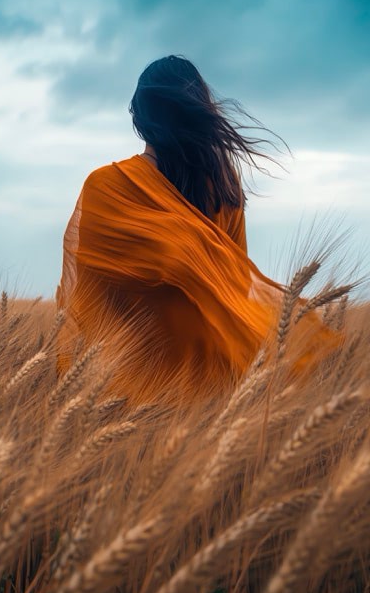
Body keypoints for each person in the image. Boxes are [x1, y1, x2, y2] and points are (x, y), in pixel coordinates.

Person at [55, 55, 341, 404]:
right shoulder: (224, 187)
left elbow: (89, 295)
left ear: (140, 115)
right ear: (200, 112)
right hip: (218, 375)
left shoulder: (108, 186)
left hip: (135, 384)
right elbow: (236, 283)